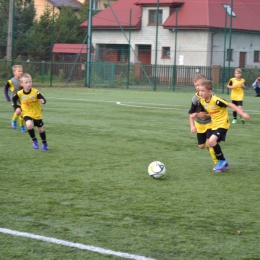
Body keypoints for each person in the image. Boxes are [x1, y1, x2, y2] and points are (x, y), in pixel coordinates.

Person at [191, 80, 250, 173]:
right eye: (200, 91)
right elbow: (203, 114)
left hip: (223, 124)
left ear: (209, 91)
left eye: (203, 91)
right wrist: (196, 115)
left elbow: (230, 105)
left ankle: (222, 161)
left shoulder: (216, 100)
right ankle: (225, 164)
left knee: (211, 141)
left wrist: (242, 113)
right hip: (214, 125)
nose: (200, 93)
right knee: (210, 144)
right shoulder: (202, 101)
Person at [188, 74, 218, 170]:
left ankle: (217, 162)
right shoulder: (195, 98)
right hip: (199, 124)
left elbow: (216, 109)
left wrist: (211, 114)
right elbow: (191, 113)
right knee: (201, 146)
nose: (197, 87)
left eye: (199, 85)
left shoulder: (212, 96)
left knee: (210, 142)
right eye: (196, 86)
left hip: (210, 123)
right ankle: (212, 145)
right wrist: (192, 125)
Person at [12, 73, 48, 151]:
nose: (29, 84)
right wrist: (16, 107)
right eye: (26, 82)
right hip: (26, 113)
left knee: (40, 130)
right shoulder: (19, 93)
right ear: (22, 84)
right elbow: (14, 99)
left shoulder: (35, 92)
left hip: (36, 113)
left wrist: (43, 101)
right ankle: (34, 140)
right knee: (29, 125)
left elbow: (42, 98)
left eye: (30, 82)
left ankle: (44, 142)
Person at [3, 65, 26, 132]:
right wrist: (7, 97)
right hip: (14, 100)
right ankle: (13, 120)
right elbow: (5, 88)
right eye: (19, 71)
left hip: (22, 100)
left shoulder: (23, 80)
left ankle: (22, 126)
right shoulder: (11, 81)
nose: (21, 72)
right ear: (14, 72)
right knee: (18, 111)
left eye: (22, 71)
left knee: (22, 114)